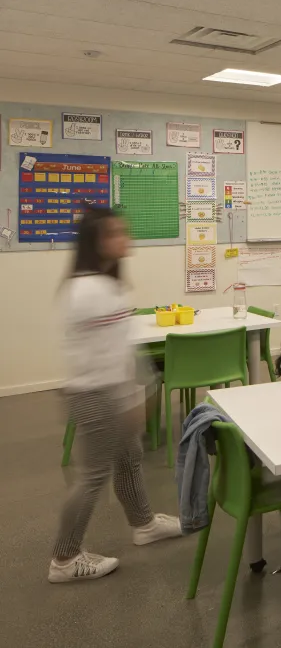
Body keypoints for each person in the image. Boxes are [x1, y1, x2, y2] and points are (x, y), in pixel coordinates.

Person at [50, 207, 182, 583]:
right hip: (98, 393)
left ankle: (143, 524)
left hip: (105, 390)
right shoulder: (93, 290)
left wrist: (136, 392)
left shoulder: (99, 284)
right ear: (97, 243)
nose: (126, 239)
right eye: (116, 233)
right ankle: (64, 559)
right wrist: (133, 398)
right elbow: (110, 355)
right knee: (92, 477)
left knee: (129, 458)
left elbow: (119, 345)